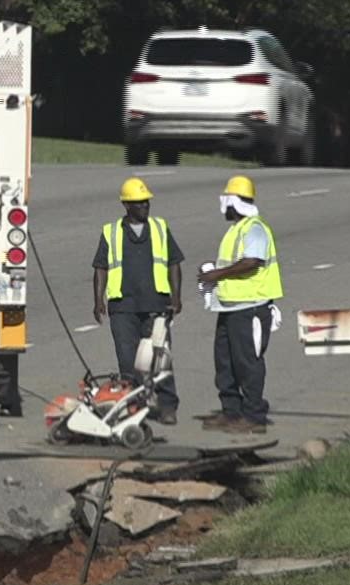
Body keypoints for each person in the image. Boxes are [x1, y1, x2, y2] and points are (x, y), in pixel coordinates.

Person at [92, 177, 185, 425]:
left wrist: (176, 297)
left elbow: (174, 263)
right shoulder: (110, 232)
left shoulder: (160, 228)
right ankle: (134, 407)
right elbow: (100, 268)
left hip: (157, 305)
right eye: (139, 203)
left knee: (161, 358)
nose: (145, 206)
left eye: (146, 202)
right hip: (123, 307)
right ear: (126, 205)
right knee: (127, 361)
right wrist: (98, 301)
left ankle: (167, 407)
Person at [196, 175, 281, 434]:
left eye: (226, 201)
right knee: (225, 363)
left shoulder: (254, 228)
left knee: (248, 364)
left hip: (250, 308)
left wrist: (216, 275)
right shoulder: (237, 229)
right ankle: (230, 412)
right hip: (230, 307)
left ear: (232, 202)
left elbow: (251, 261)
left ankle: (254, 417)